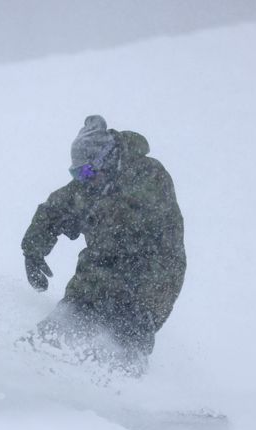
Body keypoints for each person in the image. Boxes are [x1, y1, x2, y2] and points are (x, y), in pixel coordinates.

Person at [21, 115, 186, 372]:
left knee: (120, 345)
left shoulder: (149, 174)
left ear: (106, 158)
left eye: (86, 171)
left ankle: (127, 396)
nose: (83, 179)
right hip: (95, 280)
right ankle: (23, 367)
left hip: (149, 281)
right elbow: (53, 211)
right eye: (76, 173)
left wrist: (92, 204)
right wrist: (33, 251)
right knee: (54, 332)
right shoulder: (90, 186)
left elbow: (129, 221)